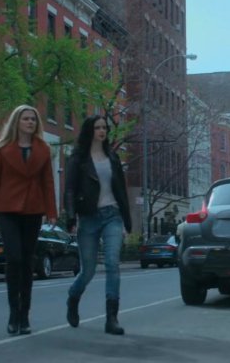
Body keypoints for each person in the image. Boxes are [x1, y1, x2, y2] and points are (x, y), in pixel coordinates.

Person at [0, 105, 57, 335]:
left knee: (27, 262)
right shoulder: (3, 149)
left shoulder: (44, 150)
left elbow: (48, 182)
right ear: (17, 122)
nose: (30, 122)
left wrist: (52, 211)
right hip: (8, 210)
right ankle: (13, 314)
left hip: (33, 210)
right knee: (14, 258)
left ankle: (24, 316)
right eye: (26, 119)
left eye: (33, 119)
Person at [64, 115, 132, 335]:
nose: (102, 131)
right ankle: (73, 297)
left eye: (104, 128)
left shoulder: (112, 157)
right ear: (89, 131)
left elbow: (121, 189)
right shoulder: (78, 159)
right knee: (89, 271)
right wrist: (71, 218)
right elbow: (70, 190)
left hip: (112, 215)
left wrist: (126, 220)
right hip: (89, 217)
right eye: (97, 127)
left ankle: (111, 318)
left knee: (112, 263)